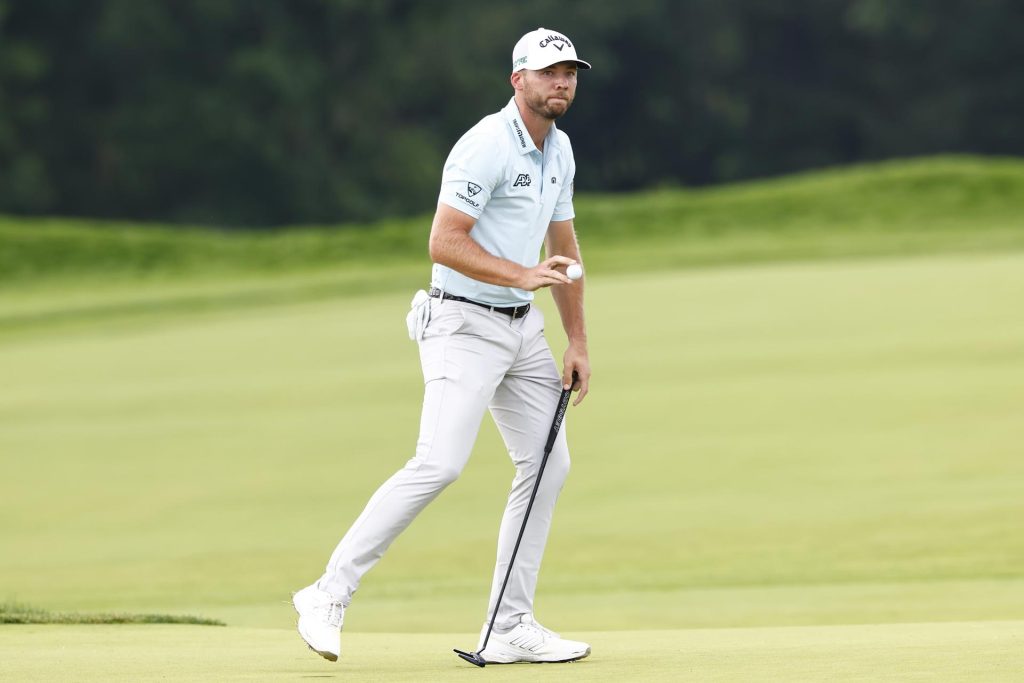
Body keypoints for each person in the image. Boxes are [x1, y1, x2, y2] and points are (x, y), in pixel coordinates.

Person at [292, 27, 593, 665]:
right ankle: (325, 593)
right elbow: (443, 241)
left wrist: (577, 341)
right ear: (519, 81)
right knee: (440, 463)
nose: (561, 82)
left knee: (548, 465)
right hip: (461, 322)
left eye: (568, 72)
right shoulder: (484, 145)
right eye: (548, 73)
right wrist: (519, 274)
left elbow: (563, 254)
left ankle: (510, 626)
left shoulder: (559, 151)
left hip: (522, 330)